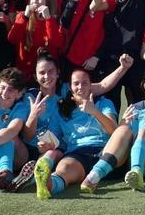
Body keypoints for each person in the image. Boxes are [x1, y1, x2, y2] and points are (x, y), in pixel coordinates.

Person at [33, 69, 121, 199]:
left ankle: (96, 173)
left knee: (123, 133)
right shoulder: (61, 109)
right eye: (76, 83)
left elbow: (114, 131)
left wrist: (94, 111)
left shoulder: (104, 103)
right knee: (64, 169)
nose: (80, 87)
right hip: (78, 154)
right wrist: (45, 145)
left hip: (106, 152)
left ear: (91, 85)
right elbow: (54, 138)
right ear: (70, 87)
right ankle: (47, 184)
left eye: (85, 83)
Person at [93, 0, 145, 112]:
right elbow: (94, 6)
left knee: (138, 100)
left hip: (137, 57)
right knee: (112, 101)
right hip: (115, 56)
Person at [7, 0, 64, 82]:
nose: (35, 2)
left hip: (46, 74)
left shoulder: (55, 19)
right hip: (25, 72)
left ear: (48, 0)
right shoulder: (23, 16)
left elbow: (57, 43)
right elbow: (12, 39)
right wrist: (25, 17)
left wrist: (48, 19)